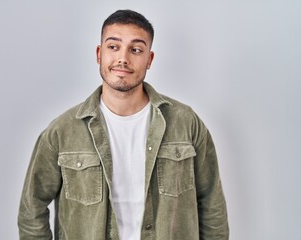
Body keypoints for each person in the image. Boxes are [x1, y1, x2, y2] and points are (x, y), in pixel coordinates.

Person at [18, 9, 229, 240]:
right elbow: (31, 209)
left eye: (136, 49)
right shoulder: (63, 130)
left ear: (149, 59)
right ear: (99, 54)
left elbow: (211, 203)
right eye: (113, 47)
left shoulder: (186, 123)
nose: (123, 58)